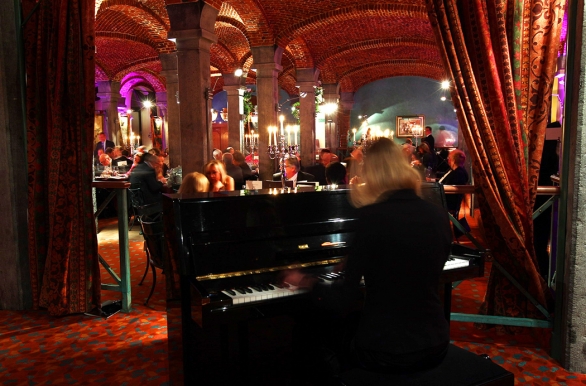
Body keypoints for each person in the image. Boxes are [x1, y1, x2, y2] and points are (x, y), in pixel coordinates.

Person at [282, 137, 452, 379]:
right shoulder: (436, 214)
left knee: (307, 330)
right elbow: (415, 263)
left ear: (371, 174)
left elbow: (344, 298)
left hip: (386, 350)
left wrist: (305, 281)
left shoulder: (373, 216)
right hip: (436, 341)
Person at [439, 149, 469, 214]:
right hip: (442, 196)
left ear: (454, 160)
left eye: (449, 158)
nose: (448, 160)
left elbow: (449, 189)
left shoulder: (459, 173)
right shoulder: (453, 170)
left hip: (447, 202)